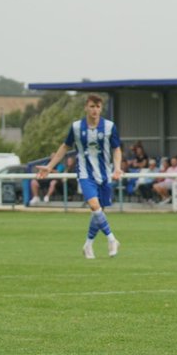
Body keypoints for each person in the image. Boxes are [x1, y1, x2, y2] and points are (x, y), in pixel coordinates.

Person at [37, 94, 123, 259]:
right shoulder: (76, 127)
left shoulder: (109, 126)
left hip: (104, 175)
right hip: (85, 174)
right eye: (92, 106)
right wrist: (49, 166)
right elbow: (64, 146)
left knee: (98, 212)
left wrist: (117, 167)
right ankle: (112, 239)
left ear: (101, 108)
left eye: (98, 107)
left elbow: (116, 148)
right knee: (94, 206)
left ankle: (88, 245)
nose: (95, 110)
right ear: (85, 107)